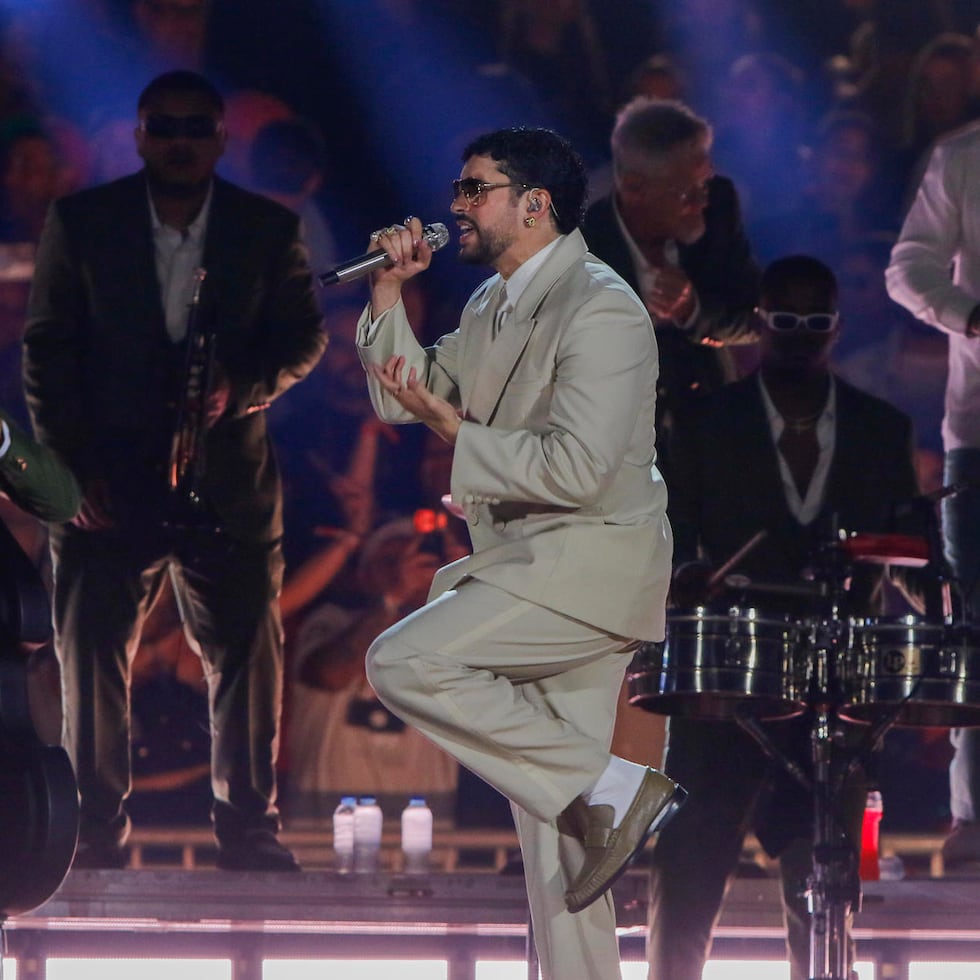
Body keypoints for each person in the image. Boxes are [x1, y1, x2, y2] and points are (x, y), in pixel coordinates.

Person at [356, 127, 685, 980]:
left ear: (533, 205)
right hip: (530, 567)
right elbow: (404, 401)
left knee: (404, 662)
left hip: (584, 571)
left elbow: (575, 472)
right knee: (560, 851)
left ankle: (616, 789)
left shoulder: (602, 306)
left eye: (474, 190)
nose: (453, 206)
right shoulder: (491, 303)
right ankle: (598, 803)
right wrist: (388, 293)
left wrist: (449, 426)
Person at [22, 69, 327, 871]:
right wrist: (68, 471)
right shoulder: (82, 221)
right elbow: (45, 350)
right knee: (88, 652)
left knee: (248, 654)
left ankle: (248, 826)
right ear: (140, 135)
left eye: (198, 127)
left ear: (222, 137)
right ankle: (91, 830)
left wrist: (245, 386)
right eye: (167, 126)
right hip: (105, 476)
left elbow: (304, 338)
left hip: (224, 476)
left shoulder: (266, 228)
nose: (182, 141)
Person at [647, 254, 923, 980]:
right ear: (759, 323)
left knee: (826, 887)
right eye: (785, 321)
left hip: (834, 692)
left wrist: (939, 592)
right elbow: (665, 532)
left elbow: (915, 555)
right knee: (687, 877)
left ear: (837, 327)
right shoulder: (705, 423)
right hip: (725, 689)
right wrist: (682, 578)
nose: (798, 337)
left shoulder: (880, 429)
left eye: (816, 323)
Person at [886, 116, 980, 871]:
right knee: (973, 626)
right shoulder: (961, 157)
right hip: (977, 431)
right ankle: (974, 822)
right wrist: (970, 317)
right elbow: (907, 268)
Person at [580, 96, 761, 471]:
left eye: (705, 183)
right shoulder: (582, 247)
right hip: (622, 453)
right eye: (686, 193)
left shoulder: (719, 204)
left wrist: (692, 309)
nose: (700, 202)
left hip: (714, 439)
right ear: (634, 188)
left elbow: (752, 316)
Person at [287, 516, 463, 825]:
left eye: (421, 560)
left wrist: (468, 579)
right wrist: (392, 599)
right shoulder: (329, 621)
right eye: (389, 561)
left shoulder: (456, 634)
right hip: (325, 829)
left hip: (422, 835)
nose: (402, 571)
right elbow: (329, 674)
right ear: (363, 574)